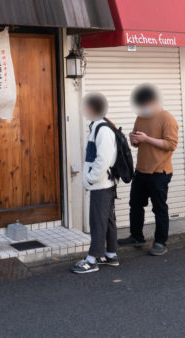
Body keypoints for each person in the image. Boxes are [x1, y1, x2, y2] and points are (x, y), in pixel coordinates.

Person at [118, 84, 178, 256]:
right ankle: (136, 237)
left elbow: (171, 145)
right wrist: (134, 141)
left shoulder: (167, 118)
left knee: (159, 208)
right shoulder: (141, 117)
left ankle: (160, 242)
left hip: (160, 171)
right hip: (141, 170)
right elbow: (138, 144)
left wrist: (147, 138)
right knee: (135, 205)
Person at [71, 92, 119, 274]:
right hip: (104, 184)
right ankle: (111, 254)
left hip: (101, 184)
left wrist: (91, 178)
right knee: (107, 220)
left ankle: (92, 260)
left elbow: (103, 159)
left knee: (98, 221)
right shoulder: (99, 127)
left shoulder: (102, 129)